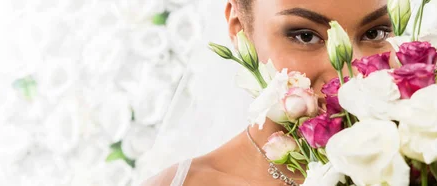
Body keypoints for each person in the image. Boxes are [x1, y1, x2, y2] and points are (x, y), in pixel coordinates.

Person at [143, 0, 395, 185]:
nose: (348, 75)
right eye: (306, 36)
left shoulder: (422, 156)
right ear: (240, 29)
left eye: (375, 33)